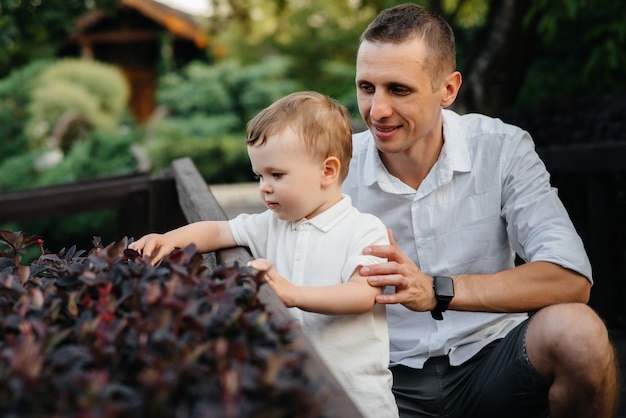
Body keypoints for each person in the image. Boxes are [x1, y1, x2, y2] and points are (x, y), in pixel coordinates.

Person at [342, 3, 619, 418]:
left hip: (493, 363)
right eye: (367, 87)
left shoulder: (503, 148)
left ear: (448, 90)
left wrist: (436, 289)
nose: (376, 110)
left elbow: (570, 276)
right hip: (381, 377)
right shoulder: (335, 166)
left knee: (580, 334)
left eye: (398, 89)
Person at [129, 91, 399, 418]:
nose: (264, 187)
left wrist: (293, 294)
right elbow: (217, 231)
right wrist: (166, 241)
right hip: (296, 389)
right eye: (259, 175)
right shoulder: (271, 224)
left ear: (328, 171)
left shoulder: (363, 230)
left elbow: (362, 294)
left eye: (277, 175)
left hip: (358, 397)